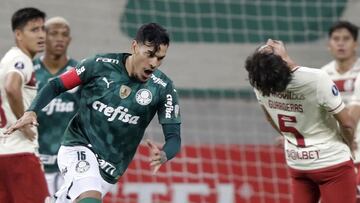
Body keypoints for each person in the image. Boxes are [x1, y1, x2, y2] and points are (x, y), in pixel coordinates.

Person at [5, 22, 181, 203]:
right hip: (77, 145)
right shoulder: (99, 65)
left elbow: (174, 137)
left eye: (160, 58)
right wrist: (31, 111)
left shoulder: (163, 88)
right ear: (135, 46)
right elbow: (56, 85)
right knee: (91, 196)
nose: (153, 63)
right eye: (149, 54)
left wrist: (165, 154)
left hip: (111, 169)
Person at [245, 39, 357, 203]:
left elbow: (270, 117)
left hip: (298, 163)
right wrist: (350, 144)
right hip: (332, 163)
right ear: (280, 60)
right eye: (268, 49)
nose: (270, 42)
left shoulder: (261, 83)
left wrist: (289, 138)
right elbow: (347, 123)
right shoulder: (316, 78)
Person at [0, 7, 49, 203]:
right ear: (18, 34)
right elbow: (12, 87)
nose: (41, 35)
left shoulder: (6, 60)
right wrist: (25, 121)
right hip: (19, 155)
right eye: (34, 30)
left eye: (43, 29)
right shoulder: (22, 59)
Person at [33, 16, 80, 197]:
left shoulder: (79, 71)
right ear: (44, 37)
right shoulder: (29, 70)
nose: (60, 38)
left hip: (69, 161)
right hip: (36, 160)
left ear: (69, 40)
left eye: (64, 34)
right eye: (54, 34)